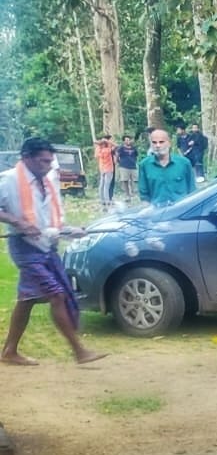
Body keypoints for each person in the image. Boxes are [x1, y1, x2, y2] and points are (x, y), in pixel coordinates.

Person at [0, 138, 106, 366]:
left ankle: (9, 351)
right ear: (26, 158)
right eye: (43, 161)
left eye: (50, 161)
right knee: (56, 294)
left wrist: (71, 231)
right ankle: (79, 351)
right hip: (24, 248)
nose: (48, 166)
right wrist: (16, 221)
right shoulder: (8, 180)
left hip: (46, 247)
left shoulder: (47, 182)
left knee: (26, 299)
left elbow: (51, 222)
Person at [138, 128, 196, 205]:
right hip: (157, 212)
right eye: (154, 142)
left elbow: (192, 192)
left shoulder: (184, 163)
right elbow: (144, 196)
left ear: (169, 143)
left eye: (161, 142)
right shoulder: (144, 165)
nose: (158, 145)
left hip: (181, 211)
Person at [114, 134, 139, 202]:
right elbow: (117, 155)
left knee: (135, 180)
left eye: (129, 140)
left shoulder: (133, 148)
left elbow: (136, 155)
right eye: (126, 140)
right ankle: (127, 195)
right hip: (124, 166)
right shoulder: (121, 148)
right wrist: (118, 162)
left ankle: (135, 193)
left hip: (133, 166)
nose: (128, 141)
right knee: (125, 181)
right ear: (124, 141)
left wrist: (134, 162)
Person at [93, 134, 115, 207]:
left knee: (101, 186)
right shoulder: (107, 150)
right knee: (106, 186)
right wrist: (107, 141)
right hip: (109, 169)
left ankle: (102, 201)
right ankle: (107, 201)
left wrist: (99, 144)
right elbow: (116, 146)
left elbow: (96, 155)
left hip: (102, 169)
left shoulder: (99, 150)